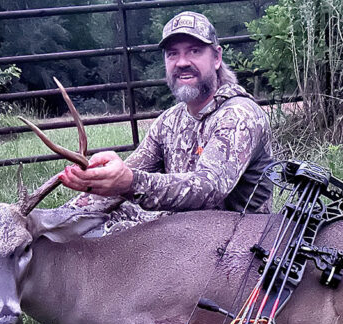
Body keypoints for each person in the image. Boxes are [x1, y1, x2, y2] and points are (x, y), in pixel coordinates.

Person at [60, 11, 273, 235]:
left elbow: (209, 188)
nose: (182, 62)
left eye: (194, 51)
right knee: (94, 219)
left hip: (237, 246)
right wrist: (69, 208)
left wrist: (130, 183)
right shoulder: (169, 121)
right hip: (183, 235)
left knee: (118, 236)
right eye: (173, 54)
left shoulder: (240, 115)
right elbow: (128, 174)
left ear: (217, 57)